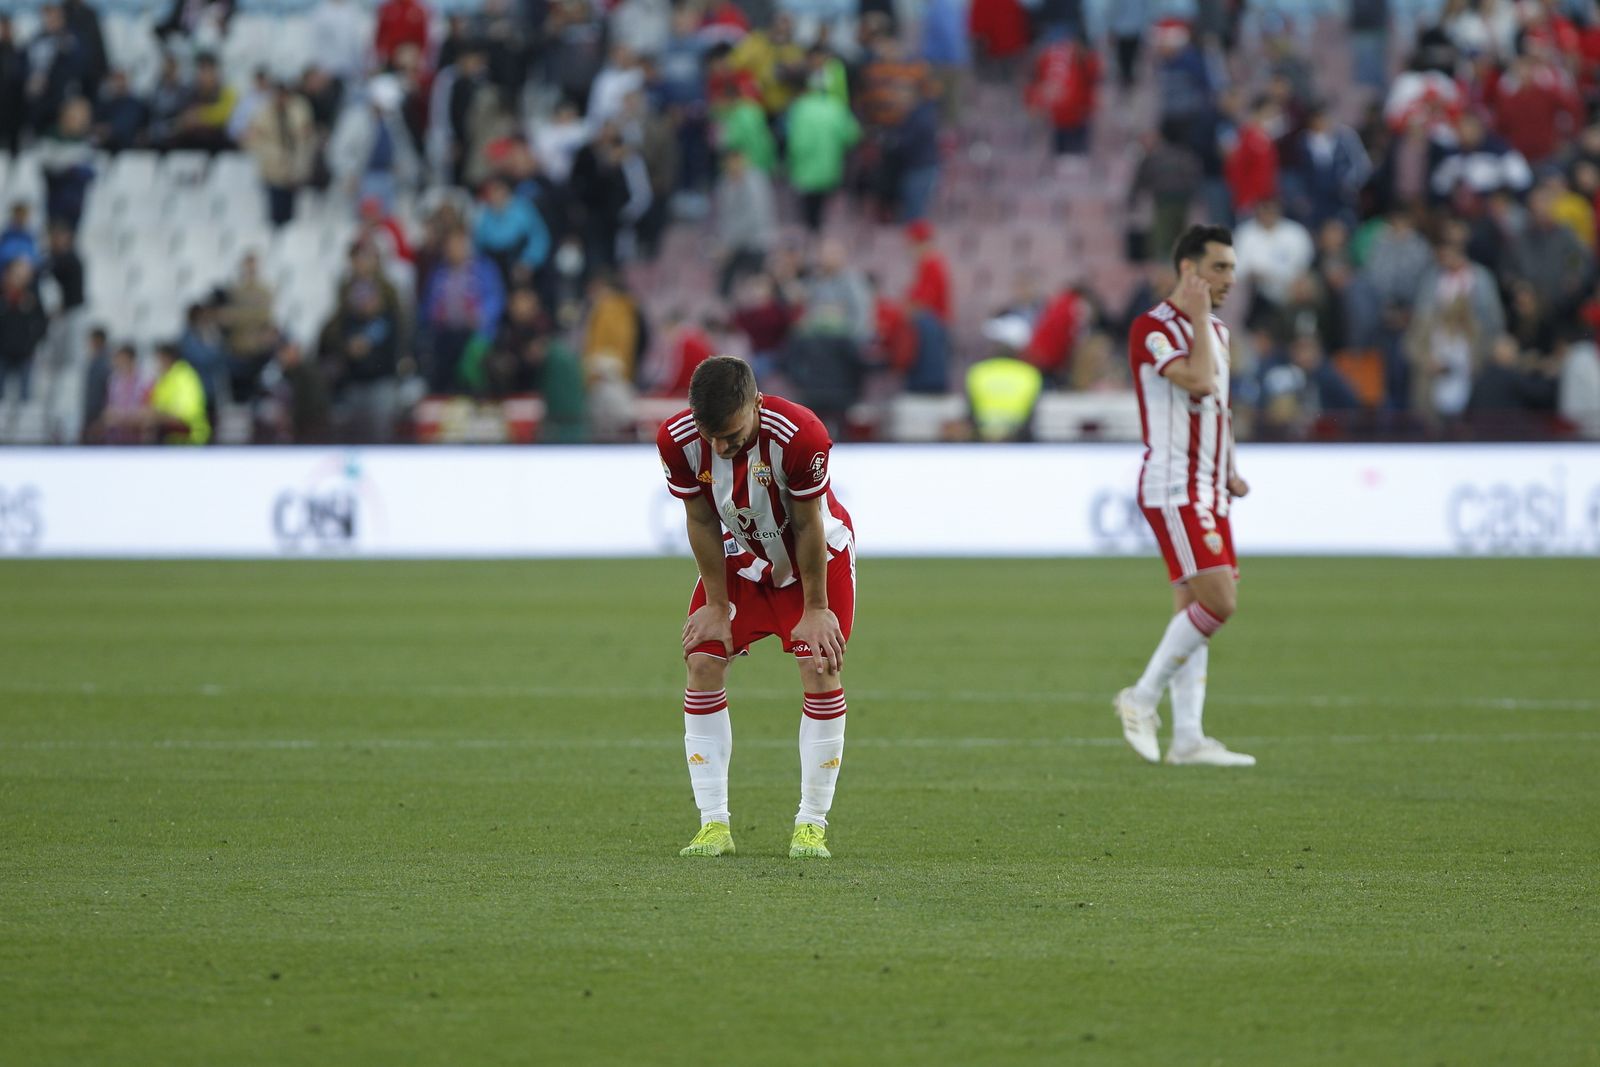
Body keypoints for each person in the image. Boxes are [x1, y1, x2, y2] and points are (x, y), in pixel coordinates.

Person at [656, 355, 856, 860]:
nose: (721, 447)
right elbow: (701, 521)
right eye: (712, 435)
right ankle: (712, 824)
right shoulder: (677, 440)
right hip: (741, 559)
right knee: (701, 658)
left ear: (756, 403)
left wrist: (815, 609)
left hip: (813, 562)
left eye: (731, 433)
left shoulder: (800, 433)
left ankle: (811, 824)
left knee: (819, 663)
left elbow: (809, 525)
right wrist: (717, 603)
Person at [1115, 225, 1255, 767]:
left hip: (1208, 485)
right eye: (1219, 268)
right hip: (1174, 485)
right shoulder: (1154, 327)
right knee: (1220, 602)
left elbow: (1218, 407)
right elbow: (1196, 382)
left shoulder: (1215, 331)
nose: (1230, 280)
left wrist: (1232, 468)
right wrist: (1198, 318)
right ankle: (1141, 698)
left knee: (1194, 610)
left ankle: (1188, 738)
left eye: (1232, 269)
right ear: (1189, 270)